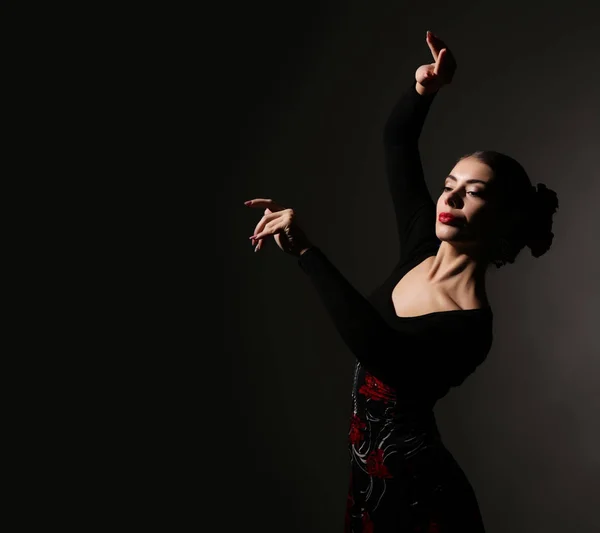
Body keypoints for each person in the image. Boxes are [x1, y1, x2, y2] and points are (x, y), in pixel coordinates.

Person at [244, 31, 559, 532]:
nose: (449, 200)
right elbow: (398, 141)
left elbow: (380, 349)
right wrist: (425, 90)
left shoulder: (472, 329)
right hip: (369, 480)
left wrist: (307, 251)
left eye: (471, 193)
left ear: (501, 219)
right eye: (448, 186)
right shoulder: (420, 240)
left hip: (418, 496)